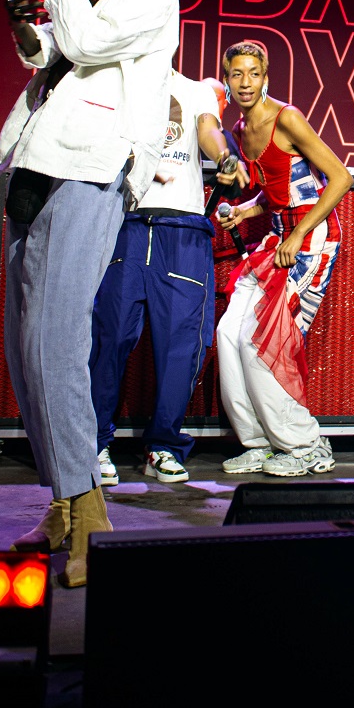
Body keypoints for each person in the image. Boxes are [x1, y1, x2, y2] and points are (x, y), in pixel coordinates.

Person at [0, 0, 178, 585]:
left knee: (58, 340)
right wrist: (24, 26)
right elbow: (52, 51)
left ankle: (91, 511)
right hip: (39, 163)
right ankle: (63, 505)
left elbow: (86, 41)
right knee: (27, 349)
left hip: (92, 168)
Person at [89, 71, 247, 486]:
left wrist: (225, 157)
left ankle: (163, 445)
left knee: (181, 345)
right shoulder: (121, 82)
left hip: (182, 229)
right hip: (126, 224)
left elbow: (208, 129)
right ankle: (94, 443)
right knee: (110, 336)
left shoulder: (196, 91)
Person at [215, 40, 352, 477]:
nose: (245, 82)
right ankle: (258, 442)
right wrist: (244, 210)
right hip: (278, 238)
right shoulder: (240, 129)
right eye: (237, 74)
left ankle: (305, 445)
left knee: (262, 341)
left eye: (253, 73)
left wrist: (297, 233)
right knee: (228, 333)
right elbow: (276, 190)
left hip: (311, 239)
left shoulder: (286, 117)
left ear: (266, 77)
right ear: (227, 79)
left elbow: (341, 178)